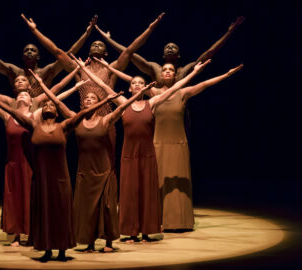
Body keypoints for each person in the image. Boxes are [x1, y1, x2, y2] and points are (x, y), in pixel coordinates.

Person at [0, 76, 121, 262]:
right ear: (41, 111)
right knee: (43, 213)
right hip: (41, 179)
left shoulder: (64, 126)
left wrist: (106, 101)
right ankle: (46, 249)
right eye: (45, 106)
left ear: (57, 112)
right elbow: (9, 110)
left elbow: (82, 113)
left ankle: (61, 250)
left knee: (60, 214)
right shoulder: (33, 125)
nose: (48, 107)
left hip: (61, 180)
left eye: (51, 106)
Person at [72, 54, 211, 241]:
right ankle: (130, 231)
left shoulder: (151, 103)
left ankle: (146, 231)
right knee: (129, 194)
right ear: (130, 88)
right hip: (129, 155)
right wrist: (86, 70)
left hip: (147, 155)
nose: (137, 85)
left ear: (145, 88)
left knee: (147, 192)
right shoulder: (122, 103)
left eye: (140, 83)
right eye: (134, 83)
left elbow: (176, 87)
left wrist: (194, 73)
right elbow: (103, 86)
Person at [0, 66, 87, 247]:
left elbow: (56, 97)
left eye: (25, 95)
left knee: (30, 198)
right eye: (19, 95)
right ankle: (15, 235)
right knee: (13, 199)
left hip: (29, 163)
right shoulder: (8, 116)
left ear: (31, 102)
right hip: (13, 164)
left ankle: (31, 234)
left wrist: (76, 87)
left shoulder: (34, 116)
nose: (21, 95)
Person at [29, 68, 153, 252]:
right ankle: (90, 243)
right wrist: (41, 85)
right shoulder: (75, 119)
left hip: (104, 169)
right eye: (86, 99)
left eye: (92, 98)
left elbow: (121, 108)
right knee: (87, 208)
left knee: (108, 207)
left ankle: (109, 242)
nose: (88, 100)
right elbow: (56, 102)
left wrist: (140, 94)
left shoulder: (105, 120)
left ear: (98, 103)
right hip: (84, 171)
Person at [21, 12, 165, 164]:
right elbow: (58, 52)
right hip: (83, 122)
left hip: (106, 121)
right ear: (89, 51)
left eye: (100, 45)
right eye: (93, 44)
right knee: (85, 162)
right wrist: (34, 30)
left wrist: (150, 28)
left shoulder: (111, 69)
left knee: (109, 162)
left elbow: (129, 50)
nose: (96, 45)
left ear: (106, 52)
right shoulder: (80, 69)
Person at [152, 62, 244, 231]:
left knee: (179, 183)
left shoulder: (183, 92)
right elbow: (130, 81)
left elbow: (205, 84)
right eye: (164, 69)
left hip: (179, 144)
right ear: (160, 75)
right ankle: (157, 220)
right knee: (158, 182)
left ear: (175, 75)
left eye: (171, 70)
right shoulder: (153, 93)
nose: (167, 72)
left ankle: (180, 221)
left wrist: (227, 74)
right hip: (158, 144)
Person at [0, 15, 97, 96]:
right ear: (22, 56)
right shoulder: (14, 71)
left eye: (33, 50)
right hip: (20, 112)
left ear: (38, 56)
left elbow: (67, 54)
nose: (29, 52)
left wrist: (87, 34)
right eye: (26, 50)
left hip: (43, 114)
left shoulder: (47, 71)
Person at [95, 16, 245, 86]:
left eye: (173, 47)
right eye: (167, 47)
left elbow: (209, 53)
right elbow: (129, 53)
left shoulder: (186, 69)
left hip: (179, 110)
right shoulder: (154, 68)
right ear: (163, 54)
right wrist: (109, 40)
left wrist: (229, 32)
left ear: (178, 55)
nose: (170, 48)